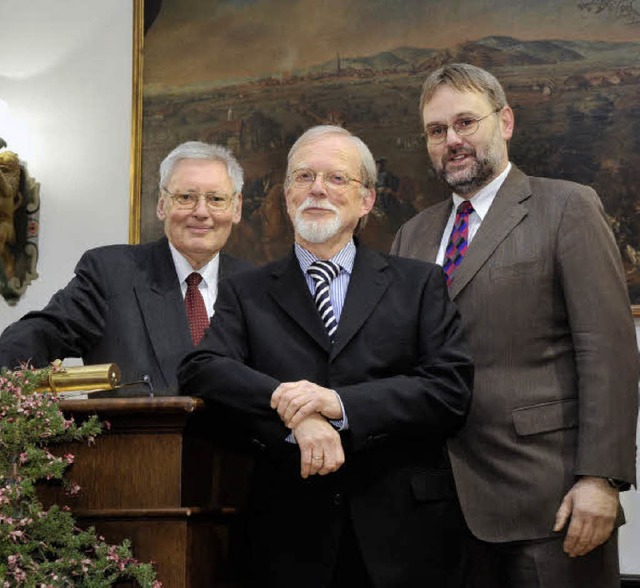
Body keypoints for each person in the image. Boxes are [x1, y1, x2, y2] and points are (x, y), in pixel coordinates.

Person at [177, 125, 473, 588]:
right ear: (286, 196)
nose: (317, 189)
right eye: (303, 177)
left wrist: (339, 406)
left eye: (337, 178)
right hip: (287, 538)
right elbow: (202, 369)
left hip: (406, 539)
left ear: (367, 200)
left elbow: (449, 389)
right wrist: (295, 411)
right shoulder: (246, 291)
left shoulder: (418, 284)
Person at [391, 63, 639, 587]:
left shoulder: (566, 205)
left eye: (465, 122)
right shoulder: (411, 236)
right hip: (441, 505)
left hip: (549, 501)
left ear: (504, 122)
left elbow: (608, 351)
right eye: (437, 131)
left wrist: (601, 477)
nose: (451, 140)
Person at [0, 141, 252, 395]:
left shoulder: (255, 287)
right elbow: (41, 334)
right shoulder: (111, 274)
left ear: (237, 207)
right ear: (162, 205)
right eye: (186, 197)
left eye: (216, 199)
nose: (201, 211)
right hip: (134, 434)